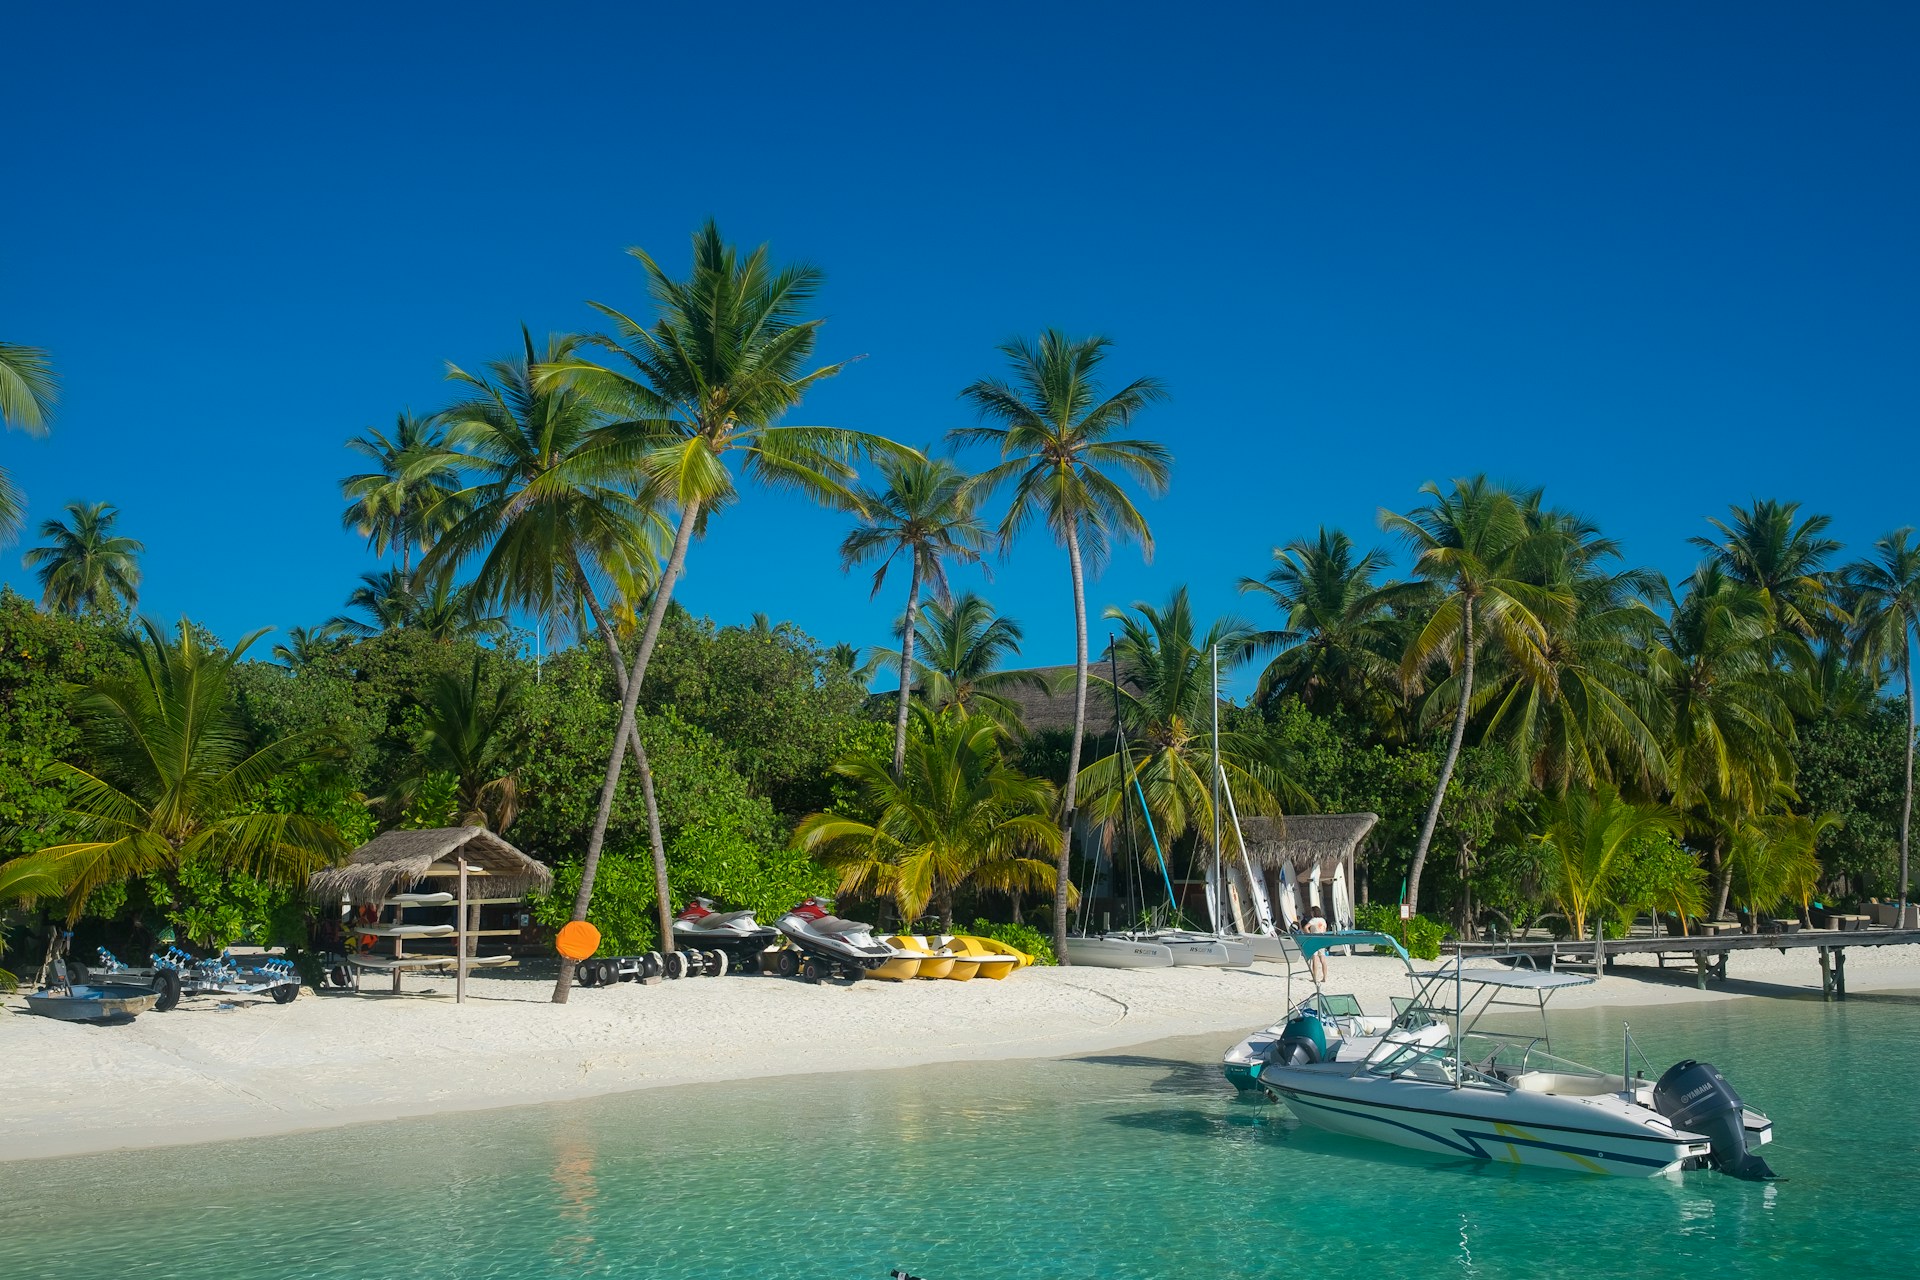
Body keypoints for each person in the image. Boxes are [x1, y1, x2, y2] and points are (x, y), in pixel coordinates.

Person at [1303, 904, 1329, 982]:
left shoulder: (1313, 920)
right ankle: (1325, 977)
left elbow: (1305, 927)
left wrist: (1309, 934)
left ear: (1313, 912)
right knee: (1323, 959)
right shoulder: (1323, 920)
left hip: (1314, 939)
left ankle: (1315, 977)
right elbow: (1324, 930)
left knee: (1315, 958)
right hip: (1322, 939)